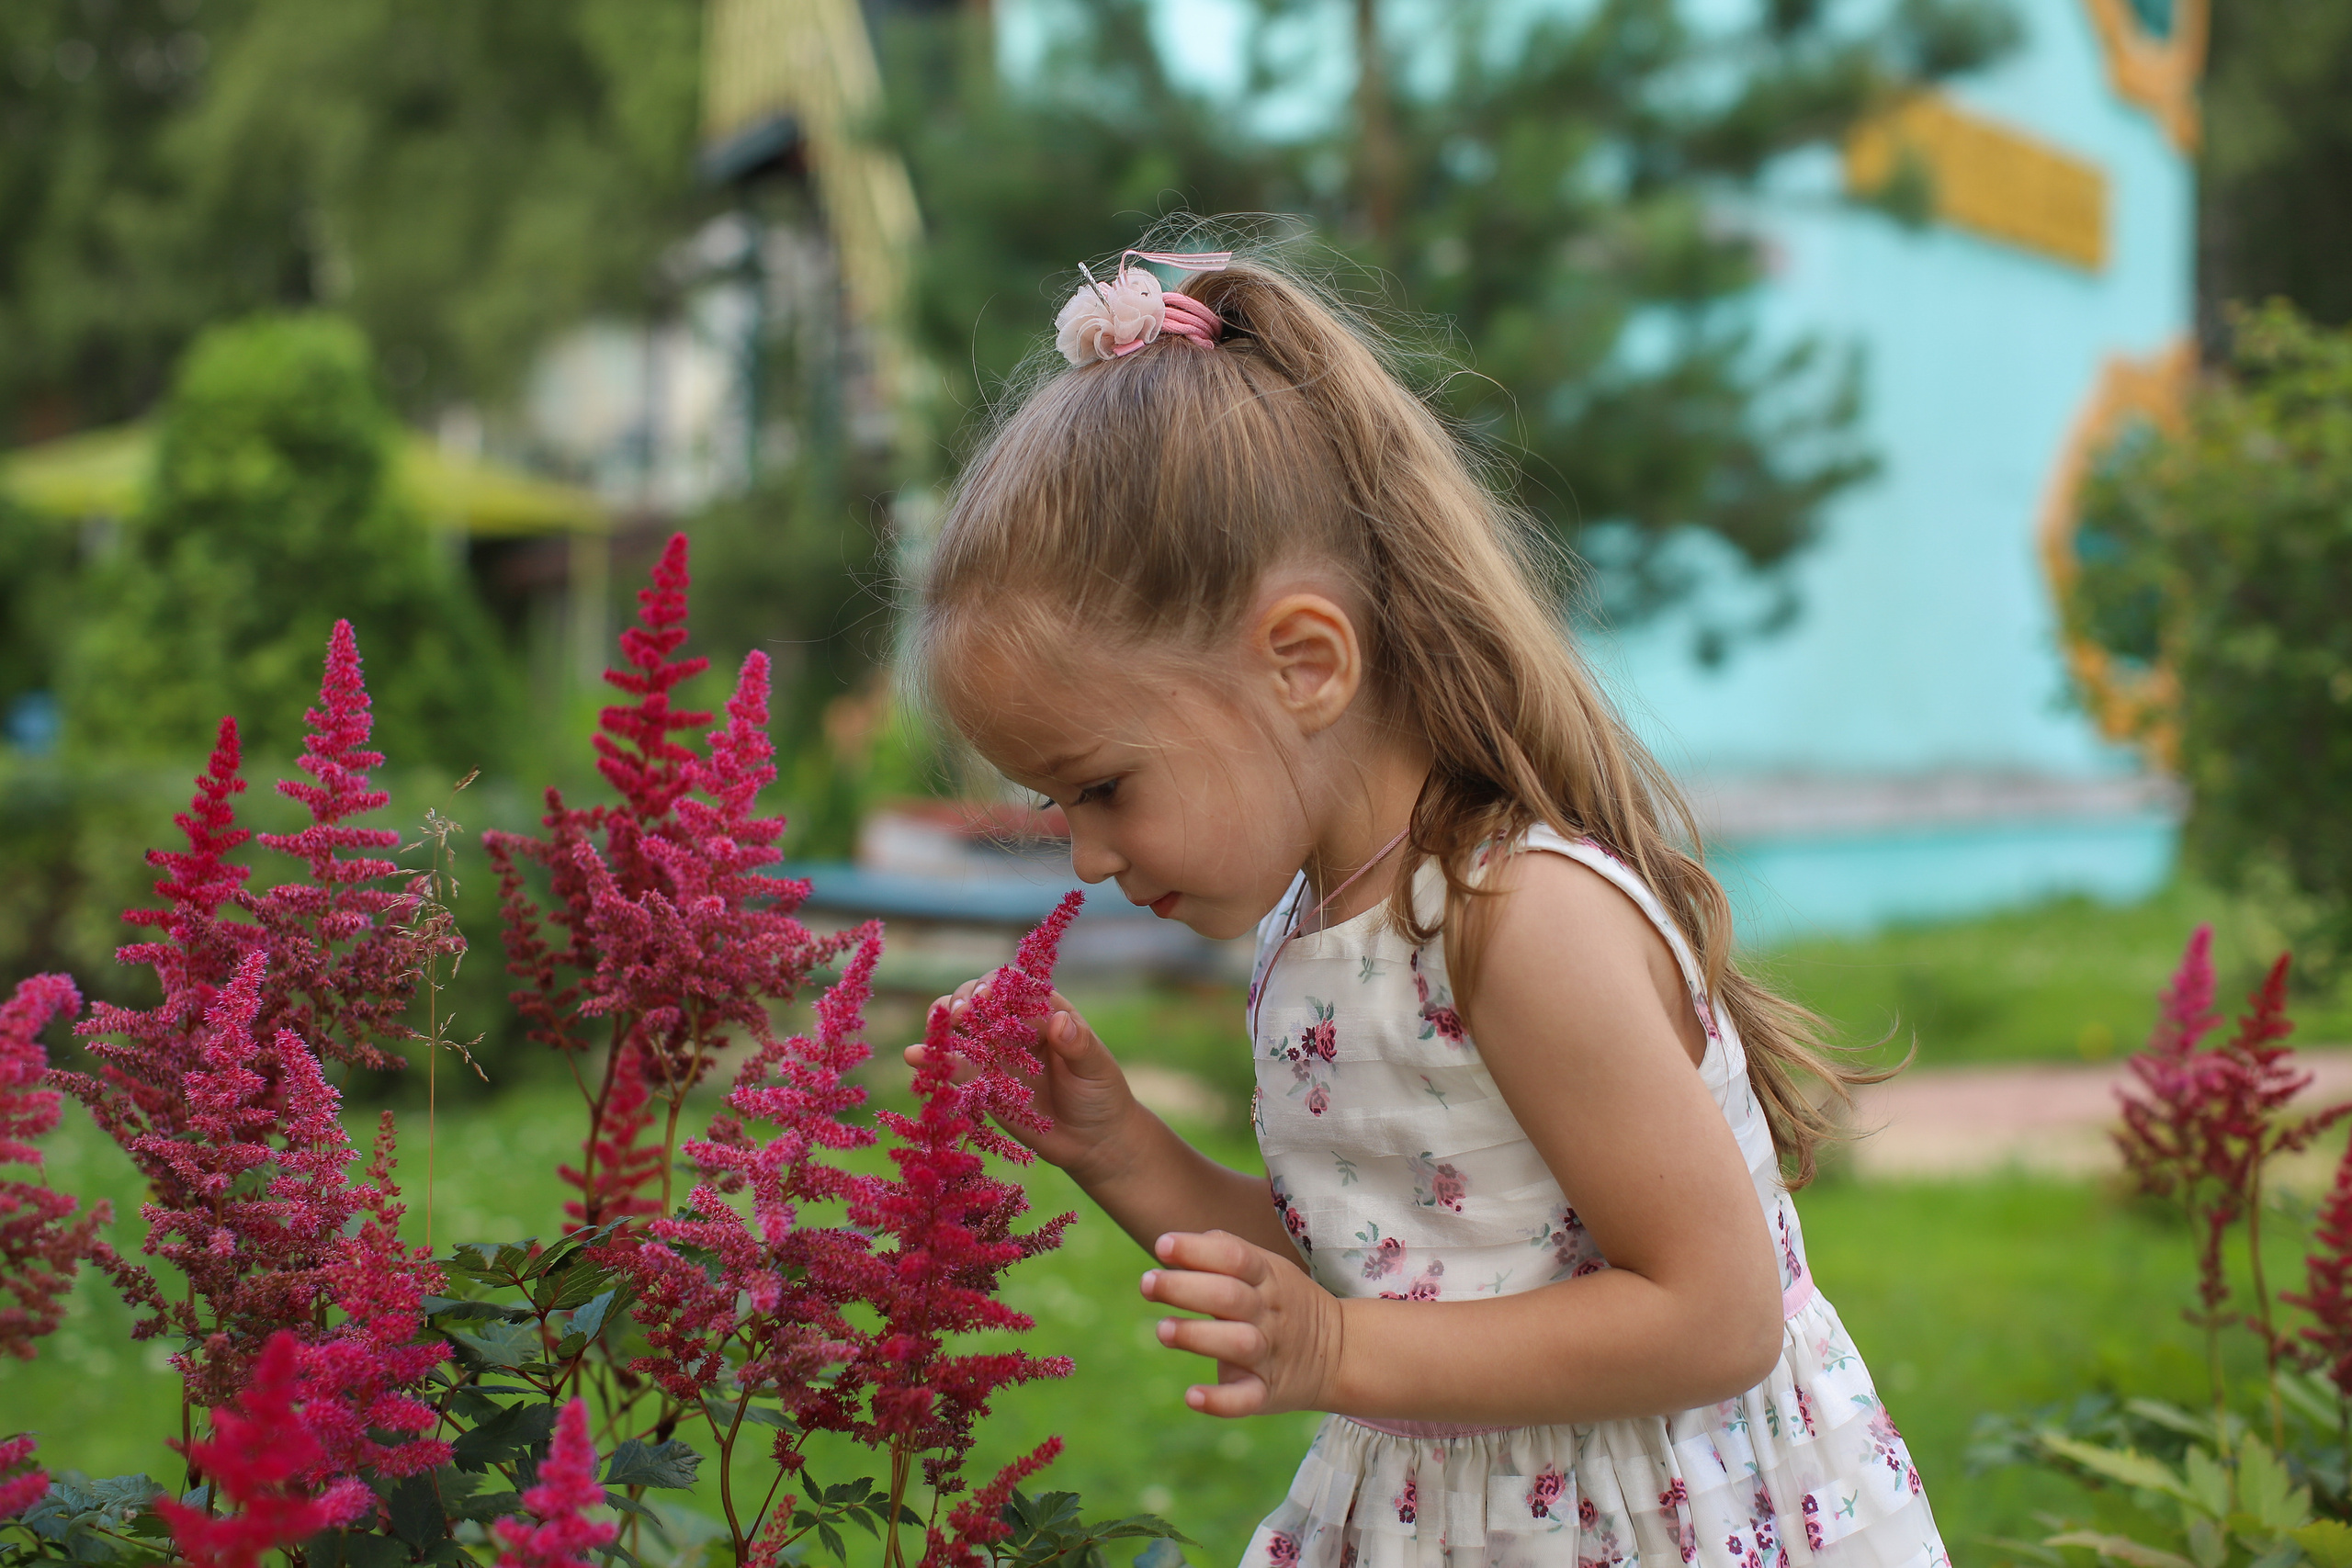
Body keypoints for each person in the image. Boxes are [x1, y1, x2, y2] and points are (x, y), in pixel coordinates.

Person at [908, 233, 1940, 1568]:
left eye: (1101, 786)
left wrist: (1337, 1351)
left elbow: (1716, 1316)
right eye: (1055, 810)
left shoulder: (1519, 922)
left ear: (1302, 666)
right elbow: (1383, 1255)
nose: (1086, 856)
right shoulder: (1320, 922)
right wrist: (1122, 1151)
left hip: (1654, 1520)